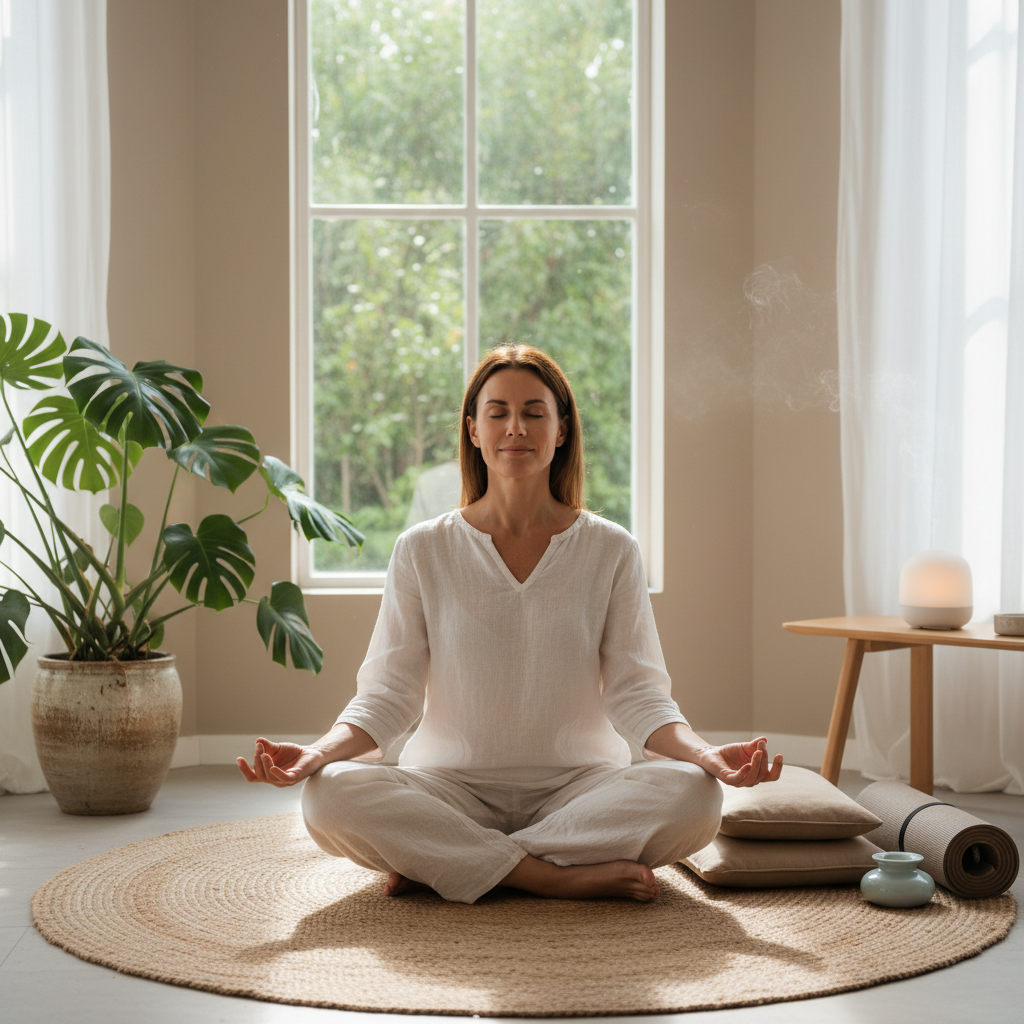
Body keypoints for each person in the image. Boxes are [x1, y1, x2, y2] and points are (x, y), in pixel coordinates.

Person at [238, 345, 782, 905]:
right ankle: (548, 874)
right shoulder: (422, 548)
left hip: (581, 788)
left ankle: (448, 861)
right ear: (473, 430)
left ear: (562, 430)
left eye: (534, 412)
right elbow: (389, 695)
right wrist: (317, 753)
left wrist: (706, 755)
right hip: (447, 786)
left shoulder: (612, 549)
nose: (515, 427)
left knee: (694, 795)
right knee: (329, 794)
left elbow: (639, 693)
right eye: (497, 412)